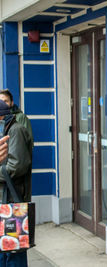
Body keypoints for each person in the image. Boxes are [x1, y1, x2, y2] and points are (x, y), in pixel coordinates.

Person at [0, 99, 33, 266]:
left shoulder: (16, 131)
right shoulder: (6, 130)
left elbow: (16, 166)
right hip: (4, 203)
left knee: (13, 251)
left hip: (12, 204)